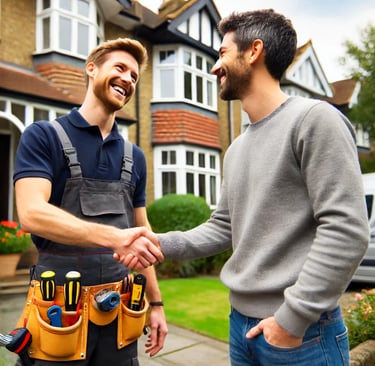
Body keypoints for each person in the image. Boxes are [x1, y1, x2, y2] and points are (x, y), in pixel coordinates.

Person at [119, 9, 370, 366]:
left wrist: (291, 319)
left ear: (254, 51)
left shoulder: (314, 121)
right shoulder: (237, 148)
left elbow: (347, 230)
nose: (213, 67)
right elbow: (225, 226)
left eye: (222, 53)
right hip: (241, 328)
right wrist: (160, 243)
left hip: (303, 336)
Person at [13, 38, 167, 365]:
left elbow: (142, 231)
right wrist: (114, 237)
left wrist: (156, 304)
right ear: (92, 68)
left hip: (119, 314)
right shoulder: (43, 136)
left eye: (134, 76)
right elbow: (31, 214)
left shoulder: (135, 157)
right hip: (57, 315)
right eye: (120, 68)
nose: (128, 79)